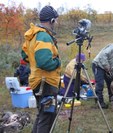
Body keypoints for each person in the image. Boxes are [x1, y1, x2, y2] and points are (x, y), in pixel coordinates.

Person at [21, 5, 61, 133]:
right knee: (47, 116)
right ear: (52, 20)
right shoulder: (43, 36)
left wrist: (34, 61)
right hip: (46, 83)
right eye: (56, 20)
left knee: (42, 114)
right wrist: (57, 62)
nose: (56, 23)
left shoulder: (33, 34)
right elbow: (45, 62)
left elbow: (24, 56)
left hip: (37, 81)